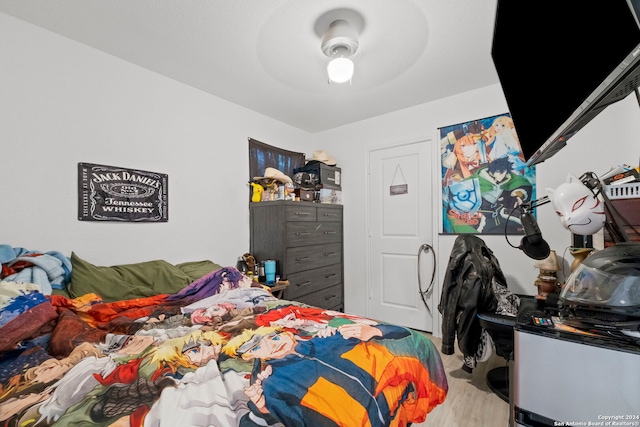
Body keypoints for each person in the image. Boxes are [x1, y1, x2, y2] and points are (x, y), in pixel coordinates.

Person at [226, 322, 447, 427]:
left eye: (274, 337)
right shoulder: (271, 382)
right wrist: (262, 410)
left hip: (390, 406)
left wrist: (375, 330)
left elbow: (404, 334)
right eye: (256, 348)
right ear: (247, 358)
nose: (271, 345)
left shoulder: (327, 337)